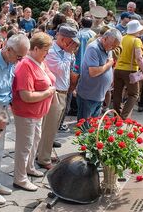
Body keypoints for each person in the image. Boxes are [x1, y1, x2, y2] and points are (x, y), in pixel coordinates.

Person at [0, 34, 29, 204]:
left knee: (0, 151)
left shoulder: (10, 61)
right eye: (18, 57)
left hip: (3, 109)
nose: (19, 61)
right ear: (7, 49)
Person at [12, 33, 56, 191]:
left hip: (38, 113)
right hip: (26, 113)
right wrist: (49, 92)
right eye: (46, 50)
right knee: (24, 146)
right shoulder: (25, 65)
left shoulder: (40, 61)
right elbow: (26, 96)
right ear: (35, 48)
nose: (48, 53)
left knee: (34, 142)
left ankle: (29, 167)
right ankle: (20, 178)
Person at [36, 25, 78, 170]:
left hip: (63, 92)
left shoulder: (66, 52)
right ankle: (43, 158)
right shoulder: (52, 51)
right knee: (49, 127)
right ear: (63, 39)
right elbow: (60, 69)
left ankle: (43, 152)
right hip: (54, 92)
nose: (73, 45)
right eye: (71, 41)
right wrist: (67, 53)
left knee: (53, 128)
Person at [76, 29, 122, 119]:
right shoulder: (93, 48)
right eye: (112, 45)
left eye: (115, 46)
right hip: (88, 96)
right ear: (104, 39)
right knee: (84, 126)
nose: (113, 48)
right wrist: (109, 64)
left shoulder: (108, 48)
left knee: (93, 125)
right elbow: (93, 72)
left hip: (99, 95)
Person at [113, 21, 143, 118]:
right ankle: (123, 116)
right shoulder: (136, 40)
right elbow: (139, 58)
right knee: (134, 94)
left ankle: (116, 116)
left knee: (117, 93)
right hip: (131, 70)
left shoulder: (122, 38)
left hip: (118, 69)